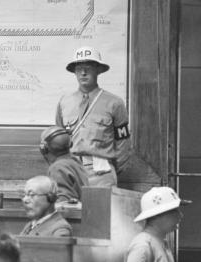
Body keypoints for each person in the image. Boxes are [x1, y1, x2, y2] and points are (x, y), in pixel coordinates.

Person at [55, 46, 131, 187]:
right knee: (70, 208)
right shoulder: (64, 102)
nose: (83, 73)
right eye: (79, 68)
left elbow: (123, 144)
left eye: (88, 68)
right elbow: (58, 139)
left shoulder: (114, 103)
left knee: (101, 209)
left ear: (98, 70)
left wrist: (111, 170)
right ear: (74, 72)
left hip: (101, 172)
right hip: (71, 171)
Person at [126, 186, 189, 262]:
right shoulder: (142, 246)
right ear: (156, 214)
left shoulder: (161, 242)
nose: (180, 215)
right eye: (174, 211)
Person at [39, 125, 88, 205]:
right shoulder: (75, 162)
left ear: (44, 148)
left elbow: (63, 204)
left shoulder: (58, 169)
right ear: (70, 144)